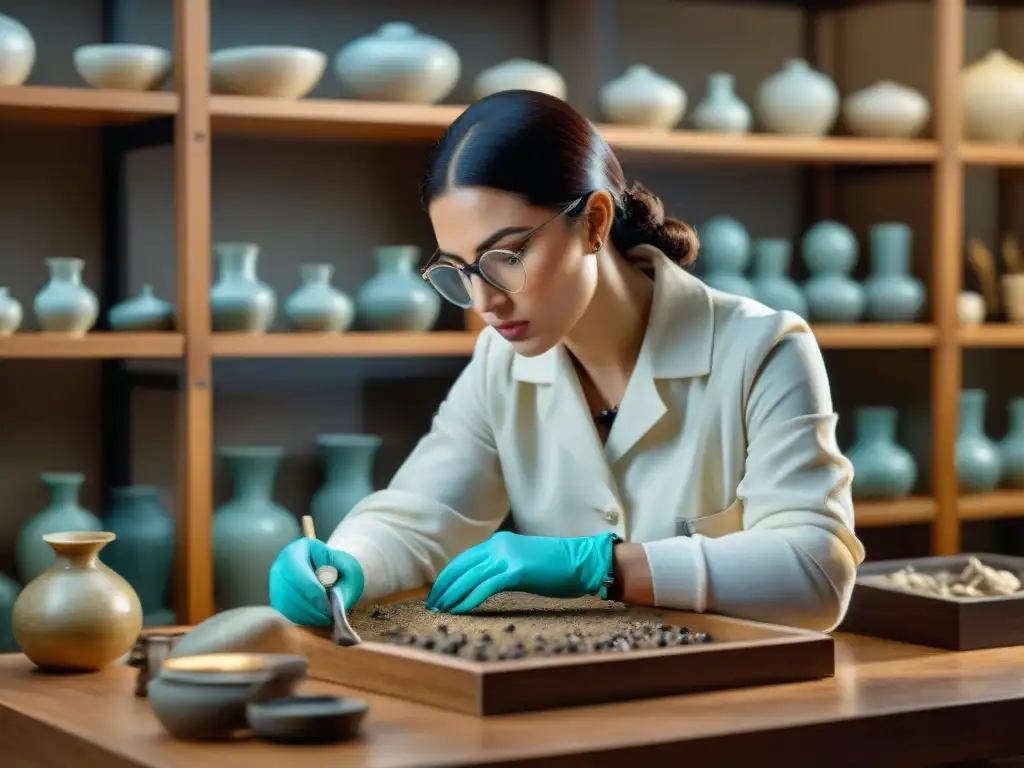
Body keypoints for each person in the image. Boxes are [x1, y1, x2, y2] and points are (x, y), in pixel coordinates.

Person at [268, 90, 866, 633]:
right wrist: (347, 561)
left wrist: (603, 567)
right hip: (569, 704)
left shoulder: (762, 350)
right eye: (460, 269)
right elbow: (424, 513)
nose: (485, 301)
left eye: (505, 255)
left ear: (595, 223)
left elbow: (817, 573)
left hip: (731, 709)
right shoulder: (501, 363)